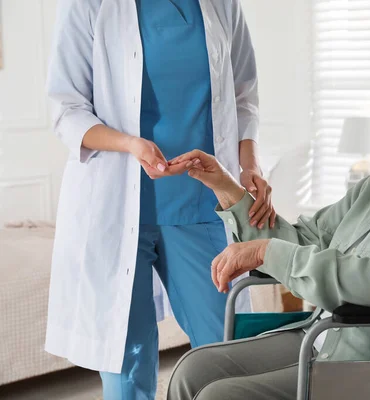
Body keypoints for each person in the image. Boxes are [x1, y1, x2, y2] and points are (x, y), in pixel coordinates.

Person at [166, 41, 370, 400]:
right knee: (194, 369)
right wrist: (224, 185)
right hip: (335, 339)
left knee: (222, 396)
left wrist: (267, 252)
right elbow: (303, 240)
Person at [45, 1, 275, 399]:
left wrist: (249, 164)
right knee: (126, 365)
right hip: (116, 206)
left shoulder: (222, 5)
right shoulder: (90, 5)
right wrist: (129, 144)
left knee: (229, 352)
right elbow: (67, 110)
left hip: (203, 204)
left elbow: (244, 96)